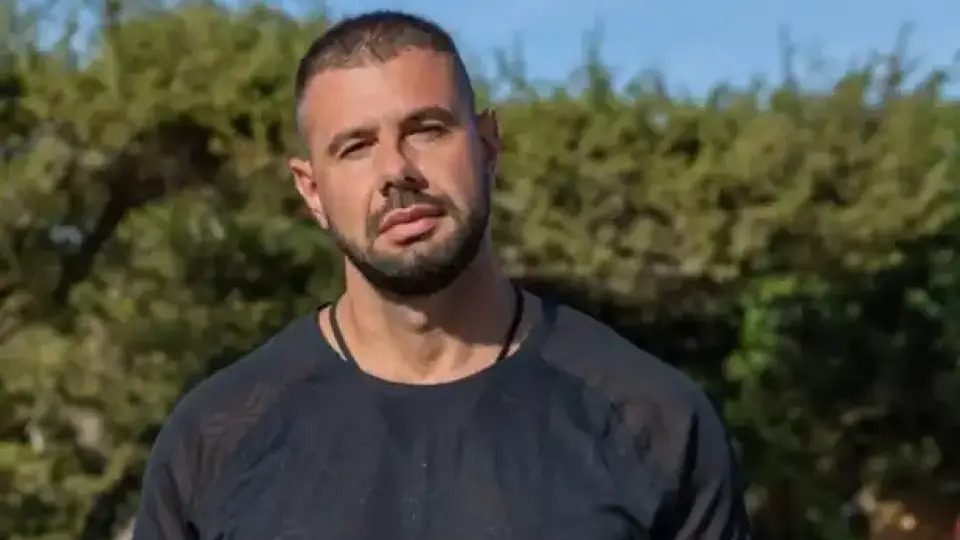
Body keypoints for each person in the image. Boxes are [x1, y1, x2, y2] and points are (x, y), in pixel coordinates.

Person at [130, 9, 752, 540]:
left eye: (426, 130)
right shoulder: (213, 440)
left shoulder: (653, 421)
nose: (396, 171)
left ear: (487, 146)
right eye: (356, 146)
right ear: (311, 190)